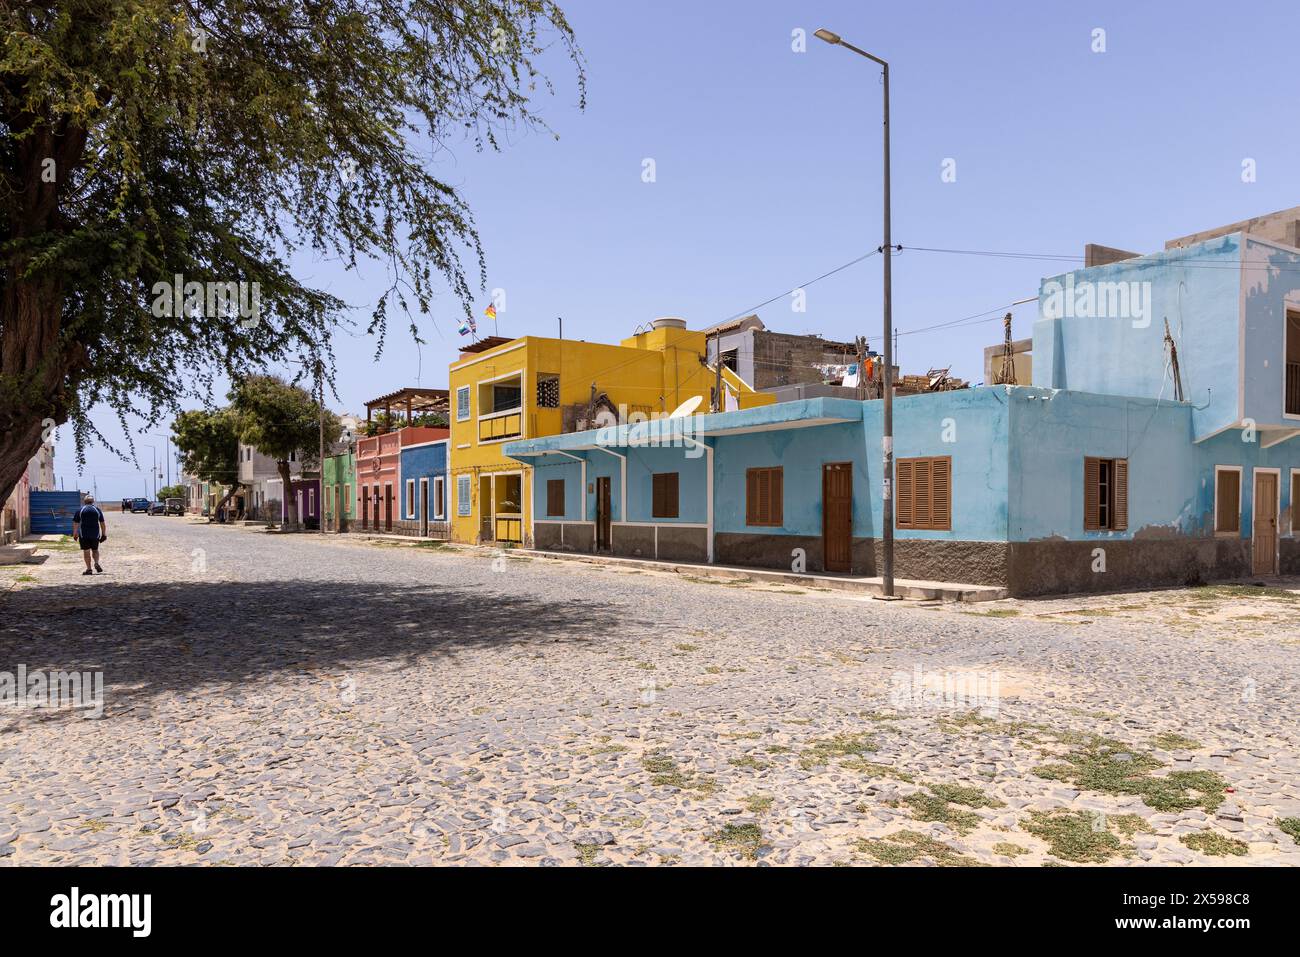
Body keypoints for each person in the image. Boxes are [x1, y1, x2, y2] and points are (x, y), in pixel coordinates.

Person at [72, 493, 107, 575]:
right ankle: (96, 562)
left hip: (84, 535)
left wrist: (75, 534)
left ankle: (89, 569)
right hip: (95, 534)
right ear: (93, 501)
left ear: (84, 502)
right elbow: (102, 523)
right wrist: (104, 534)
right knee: (95, 550)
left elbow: (76, 523)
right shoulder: (97, 510)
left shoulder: (80, 510)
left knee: (86, 551)